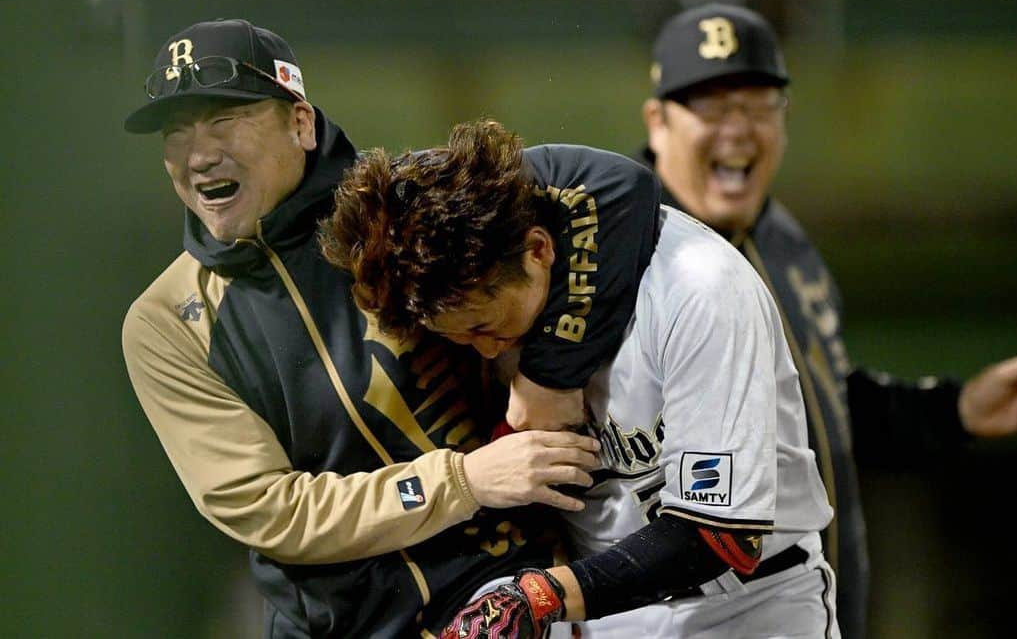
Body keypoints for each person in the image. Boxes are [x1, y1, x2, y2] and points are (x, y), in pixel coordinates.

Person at [121, 18, 664, 638]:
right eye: (176, 133)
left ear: (300, 123)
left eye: (223, 121)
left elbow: (611, 189)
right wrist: (463, 481)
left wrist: (550, 374)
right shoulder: (166, 322)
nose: (198, 155)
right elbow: (271, 511)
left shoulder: (399, 207)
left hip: (514, 598)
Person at [633, 2, 1017, 638]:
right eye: (711, 105)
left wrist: (955, 410)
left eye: (759, 105)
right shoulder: (622, 262)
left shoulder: (784, 243)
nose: (738, 128)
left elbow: (823, 415)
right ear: (658, 122)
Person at [321, 119, 840, 638]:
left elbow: (720, 538)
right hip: (598, 613)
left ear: (540, 250)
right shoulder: (486, 287)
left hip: (754, 607)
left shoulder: (698, 288)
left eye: (485, 325)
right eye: (461, 336)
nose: (483, 347)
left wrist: (539, 594)